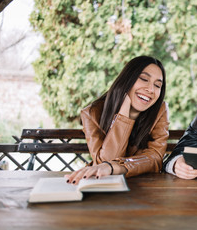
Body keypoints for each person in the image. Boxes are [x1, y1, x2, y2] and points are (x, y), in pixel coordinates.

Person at [66, 55, 169, 184]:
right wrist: (123, 116)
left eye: (157, 85)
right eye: (143, 79)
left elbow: (155, 158)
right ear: (127, 79)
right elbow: (105, 162)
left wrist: (118, 167)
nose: (151, 89)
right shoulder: (92, 114)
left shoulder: (160, 110)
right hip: (106, 188)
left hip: (146, 186)